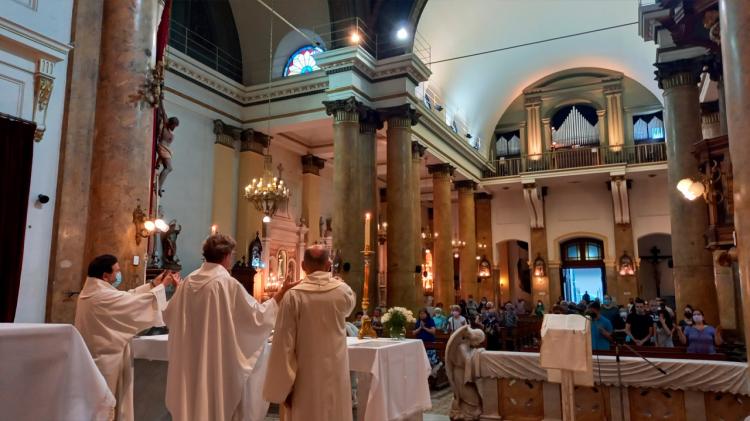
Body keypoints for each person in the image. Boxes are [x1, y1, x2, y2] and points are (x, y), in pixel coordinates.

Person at [164, 234, 297, 421]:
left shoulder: (188, 282)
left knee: (192, 402)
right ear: (226, 256)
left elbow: (169, 316)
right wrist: (281, 293)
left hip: (190, 359)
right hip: (217, 360)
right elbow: (256, 318)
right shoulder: (227, 284)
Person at [75, 254, 179, 421]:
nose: (119, 274)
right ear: (105, 276)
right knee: (103, 407)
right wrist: (162, 288)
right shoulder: (101, 296)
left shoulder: (92, 292)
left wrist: (153, 285)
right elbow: (132, 303)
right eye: (117, 271)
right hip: (107, 360)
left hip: (99, 356)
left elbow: (127, 296)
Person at [264, 245, 356, 421]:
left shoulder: (293, 296)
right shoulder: (343, 291)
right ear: (329, 264)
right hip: (335, 372)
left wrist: (284, 387)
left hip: (304, 377)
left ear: (302, 265)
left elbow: (283, 343)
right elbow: (349, 308)